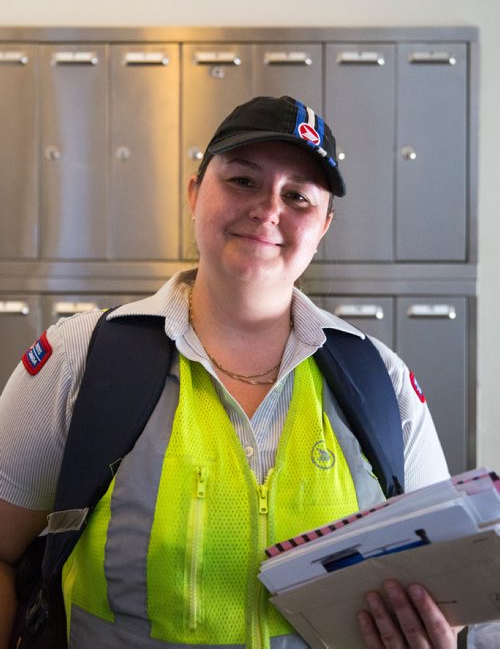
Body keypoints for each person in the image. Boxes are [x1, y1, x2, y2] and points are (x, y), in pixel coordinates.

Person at [0, 94, 462, 648]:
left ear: (323, 229)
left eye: (298, 197)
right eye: (243, 180)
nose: (268, 210)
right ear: (195, 194)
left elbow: (445, 582)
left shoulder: (380, 380)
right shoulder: (83, 357)